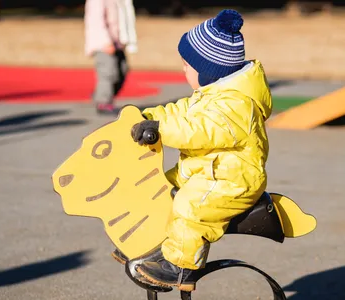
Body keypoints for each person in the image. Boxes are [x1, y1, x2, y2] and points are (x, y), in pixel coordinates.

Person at [128, 9, 273, 291]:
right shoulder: (212, 94)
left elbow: (200, 130)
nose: (183, 70)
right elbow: (180, 111)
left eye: (186, 65)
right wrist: (150, 117)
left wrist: (162, 131)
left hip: (234, 180)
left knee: (189, 207)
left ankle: (181, 267)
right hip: (207, 171)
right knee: (158, 188)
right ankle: (155, 246)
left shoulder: (236, 105)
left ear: (208, 71)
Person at [84, 0, 138, 115]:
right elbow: (95, 20)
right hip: (103, 44)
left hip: (117, 42)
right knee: (108, 73)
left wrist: (125, 39)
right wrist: (105, 42)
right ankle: (103, 102)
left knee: (122, 71)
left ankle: (100, 94)